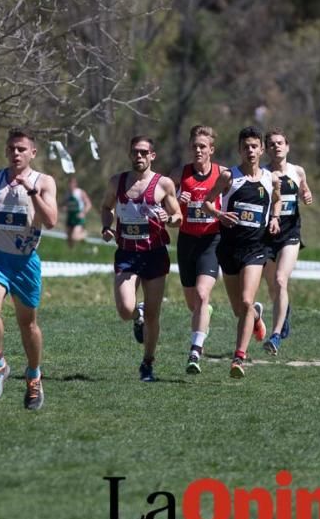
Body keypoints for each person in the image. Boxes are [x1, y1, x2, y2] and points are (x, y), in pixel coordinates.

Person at [0, 127, 58, 410]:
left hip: (24, 263)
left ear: (32, 153)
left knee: (28, 324)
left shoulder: (44, 181)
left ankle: (34, 376)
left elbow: (51, 221)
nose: (16, 153)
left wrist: (32, 192)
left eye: (21, 149)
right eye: (11, 148)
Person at [100, 136, 182, 382]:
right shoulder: (118, 181)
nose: (139, 156)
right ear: (129, 154)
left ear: (152, 156)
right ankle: (138, 315)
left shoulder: (163, 184)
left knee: (155, 315)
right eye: (135, 152)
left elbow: (178, 215)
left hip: (154, 253)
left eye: (144, 152)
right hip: (127, 253)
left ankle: (147, 362)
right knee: (125, 309)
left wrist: (171, 219)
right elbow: (106, 207)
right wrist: (106, 227)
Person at [202, 126, 281, 378]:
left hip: (256, 249)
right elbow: (206, 203)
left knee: (246, 300)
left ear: (261, 149)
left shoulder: (271, 179)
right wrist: (219, 214)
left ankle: (239, 358)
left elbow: (277, 199)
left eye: (254, 146)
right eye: (245, 147)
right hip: (229, 249)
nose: (250, 151)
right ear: (239, 150)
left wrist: (275, 217)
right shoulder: (229, 177)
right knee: (240, 310)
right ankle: (256, 316)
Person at [169, 125, 226, 374]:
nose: (198, 150)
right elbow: (169, 209)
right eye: (195, 146)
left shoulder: (222, 174)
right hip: (187, 241)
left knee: (203, 294)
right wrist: (176, 201)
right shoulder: (181, 174)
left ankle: (195, 350)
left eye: (203, 146)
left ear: (211, 150)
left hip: (211, 241)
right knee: (193, 303)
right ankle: (205, 313)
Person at [260, 129, 313, 356]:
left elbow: (305, 191)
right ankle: (284, 311)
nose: (276, 147)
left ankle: (275, 336)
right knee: (273, 286)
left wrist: (307, 195)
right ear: (266, 149)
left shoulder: (297, 171)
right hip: (266, 236)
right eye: (271, 144)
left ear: (287, 146)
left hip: (290, 233)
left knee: (281, 280)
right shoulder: (262, 173)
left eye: (280, 143)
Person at [63, 176, 92, 248]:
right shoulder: (67, 194)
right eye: (69, 183)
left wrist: (83, 213)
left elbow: (88, 204)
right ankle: (71, 254)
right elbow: (65, 204)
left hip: (78, 217)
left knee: (74, 237)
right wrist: (65, 208)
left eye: (72, 183)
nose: (71, 185)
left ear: (75, 184)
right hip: (70, 217)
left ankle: (84, 235)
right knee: (69, 239)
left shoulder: (80, 192)